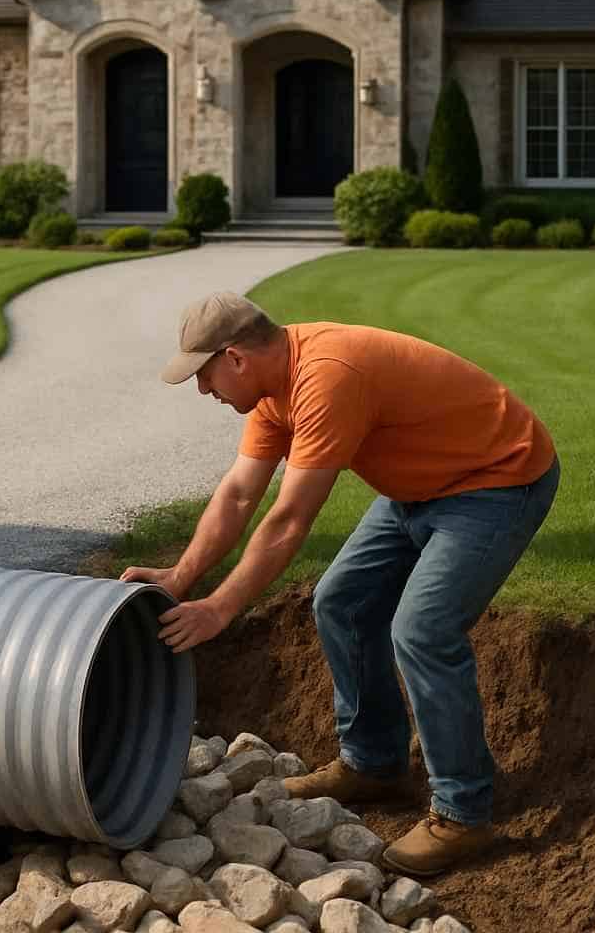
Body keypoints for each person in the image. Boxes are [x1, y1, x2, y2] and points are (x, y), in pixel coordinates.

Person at [121, 290, 558, 876]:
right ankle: (374, 761)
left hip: (496, 480)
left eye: (204, 375)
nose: (204, 390)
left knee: (423, 631)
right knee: (342, 601)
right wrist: (180, 577)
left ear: (235, 357)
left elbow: (289, 519)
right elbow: (239, 493)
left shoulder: (326, 376)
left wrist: (221, 607)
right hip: (418, 488)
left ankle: (463, 814)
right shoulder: (273, 393)